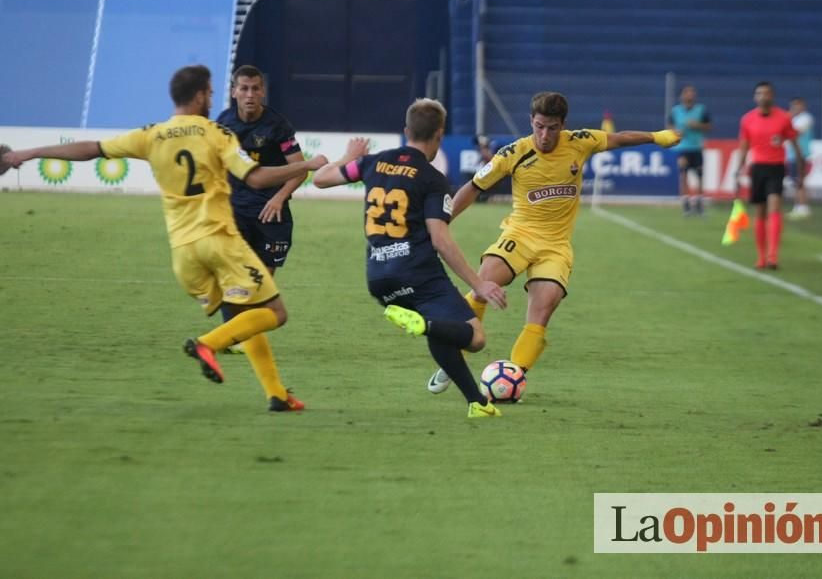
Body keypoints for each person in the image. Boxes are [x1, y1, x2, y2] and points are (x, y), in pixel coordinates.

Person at [1, 65, 348, 412]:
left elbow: (91, 148)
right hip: (219, 241)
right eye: (210, 93)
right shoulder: (217, 133)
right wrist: (307, 165)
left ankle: (276, 395)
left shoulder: (152, 135)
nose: (212, 98)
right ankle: (207, 345)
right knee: (275, 312)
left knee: (244, 313)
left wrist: (27, 154)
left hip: (183, 255)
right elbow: (256, 178)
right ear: (199, 96)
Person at [445, 91, 680, 385]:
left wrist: (656, 137)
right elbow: (473, 187)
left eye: (552, 128)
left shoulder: (580, 142)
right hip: (520, 234)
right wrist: (444, 221)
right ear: (531, 121)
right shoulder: (512, 153)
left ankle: (512, 378)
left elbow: (620, 138)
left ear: (563, 124)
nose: (545, 135)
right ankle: (455, 356)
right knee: (484, 282)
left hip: (555, 246)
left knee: (544, 306)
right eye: (539, 126)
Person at [312, 99, 509, 418]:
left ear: (407, 131)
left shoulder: (372, 163)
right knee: (474, 337)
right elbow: (441, 240)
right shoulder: (432, 179)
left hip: (378, 278)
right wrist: (479, 284)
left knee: (441, 327)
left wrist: (351, 156)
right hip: (419, 273)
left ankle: (478, 404)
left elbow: (320, 179)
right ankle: (425, 325)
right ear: (439, 135)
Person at [216, 65, 304, 353]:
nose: (249, 94)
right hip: (236, 211)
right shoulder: (223, 123)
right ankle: (235, 335)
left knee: (260, 283)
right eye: (243, 88)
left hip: (271, 214)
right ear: (233, 92)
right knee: (234, 277)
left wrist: (279, 198)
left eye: (255, 88)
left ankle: (237, 334)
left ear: (263, 91)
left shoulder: (278, 126)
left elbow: (299, 169)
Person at [735, 81, 803, 270]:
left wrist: (800, 170)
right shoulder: (747, 119)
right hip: (757, 168)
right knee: (760, 211)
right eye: (759, 93)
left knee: (774, 207)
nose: (763, 96)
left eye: (766, 93)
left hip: (776, 168)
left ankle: (773, 256)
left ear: (772, 96)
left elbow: (795, 144)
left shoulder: (783, 118)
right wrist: (738, 169)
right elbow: (744, 147)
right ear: (755, 97)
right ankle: (761, 257)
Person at [667, 85, 711, 215]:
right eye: (687, 93)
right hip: (682, 147)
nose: (690, 96)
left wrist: (697, 125)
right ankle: (686, 203)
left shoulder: (701, 110)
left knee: (699, 176)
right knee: (683, 174)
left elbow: (709, 127)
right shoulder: (676, 111)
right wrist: (676, 133)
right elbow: (669, 128)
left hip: (696, 147)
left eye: (692, 93)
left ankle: (698, 203)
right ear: (682, 96)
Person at [786, 97, 814, 219]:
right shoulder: (794, 119)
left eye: (797, 106)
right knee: (795, 182)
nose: (794, 108)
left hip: (801, 155)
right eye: (793, 106)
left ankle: (803, 207)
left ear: (803, 106)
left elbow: (796, 132)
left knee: (799, 181)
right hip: (792, 155)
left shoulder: (805, 119)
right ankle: (798, 207)